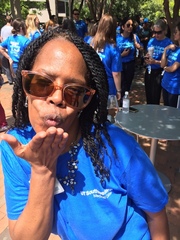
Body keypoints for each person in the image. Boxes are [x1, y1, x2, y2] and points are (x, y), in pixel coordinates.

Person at [0, 28, 169, 240]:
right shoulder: (16, 147)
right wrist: (42, 171)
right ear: (25, 85)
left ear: (85, 102)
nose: (57, 98)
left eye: (74, 92)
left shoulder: (117, 146)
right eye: (42, 83)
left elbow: (157, 215)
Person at [90, 14, 122, 101]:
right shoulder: (113, 48)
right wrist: (118, 90)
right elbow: (116, 73)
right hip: (108, 86)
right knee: (109, 112)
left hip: (92, 84)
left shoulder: (90, 42)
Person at [144, 19, 172, 104]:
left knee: (155, 97)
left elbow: (167, 62)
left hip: (160, 72)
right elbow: (147, 54)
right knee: (149, 97)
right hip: (149, 71)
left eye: (158, 32)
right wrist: (146, 58)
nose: (156, 35)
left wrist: (156, 62)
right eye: (154, 32)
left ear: (164, 31)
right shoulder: (151, 41)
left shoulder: (168, 43)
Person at [116, 17, 142, 102]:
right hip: (120, 65)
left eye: (132, 25)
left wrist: (139, 47)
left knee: (127, 87)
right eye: (128, 25)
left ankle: (125, 104)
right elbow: (114, 55)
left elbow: (141, 48)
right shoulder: (117, 38)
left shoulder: (134, 37)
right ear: (123, 27)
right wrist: (122, 55)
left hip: (130, 64)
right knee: (121, 86)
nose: (130, 27)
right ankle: (119, 105)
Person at [161, 21, 180, 107]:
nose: (174, 34)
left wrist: (165, 68)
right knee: (166, 112)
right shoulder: (174, 48)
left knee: (173, 115)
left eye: (176, 32)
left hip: (174, 89)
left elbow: (172, 68)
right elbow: (162, 64)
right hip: (166, 84)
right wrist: (165, 49)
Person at [0, 15, 14, 85]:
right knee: (11, 63)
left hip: (4, 48)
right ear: (11, 21)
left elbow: (1, 38)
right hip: (10, 48)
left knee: (6, 66)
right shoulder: (12, 28)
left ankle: (10, 80)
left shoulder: (2, 28)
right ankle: (14, 77)